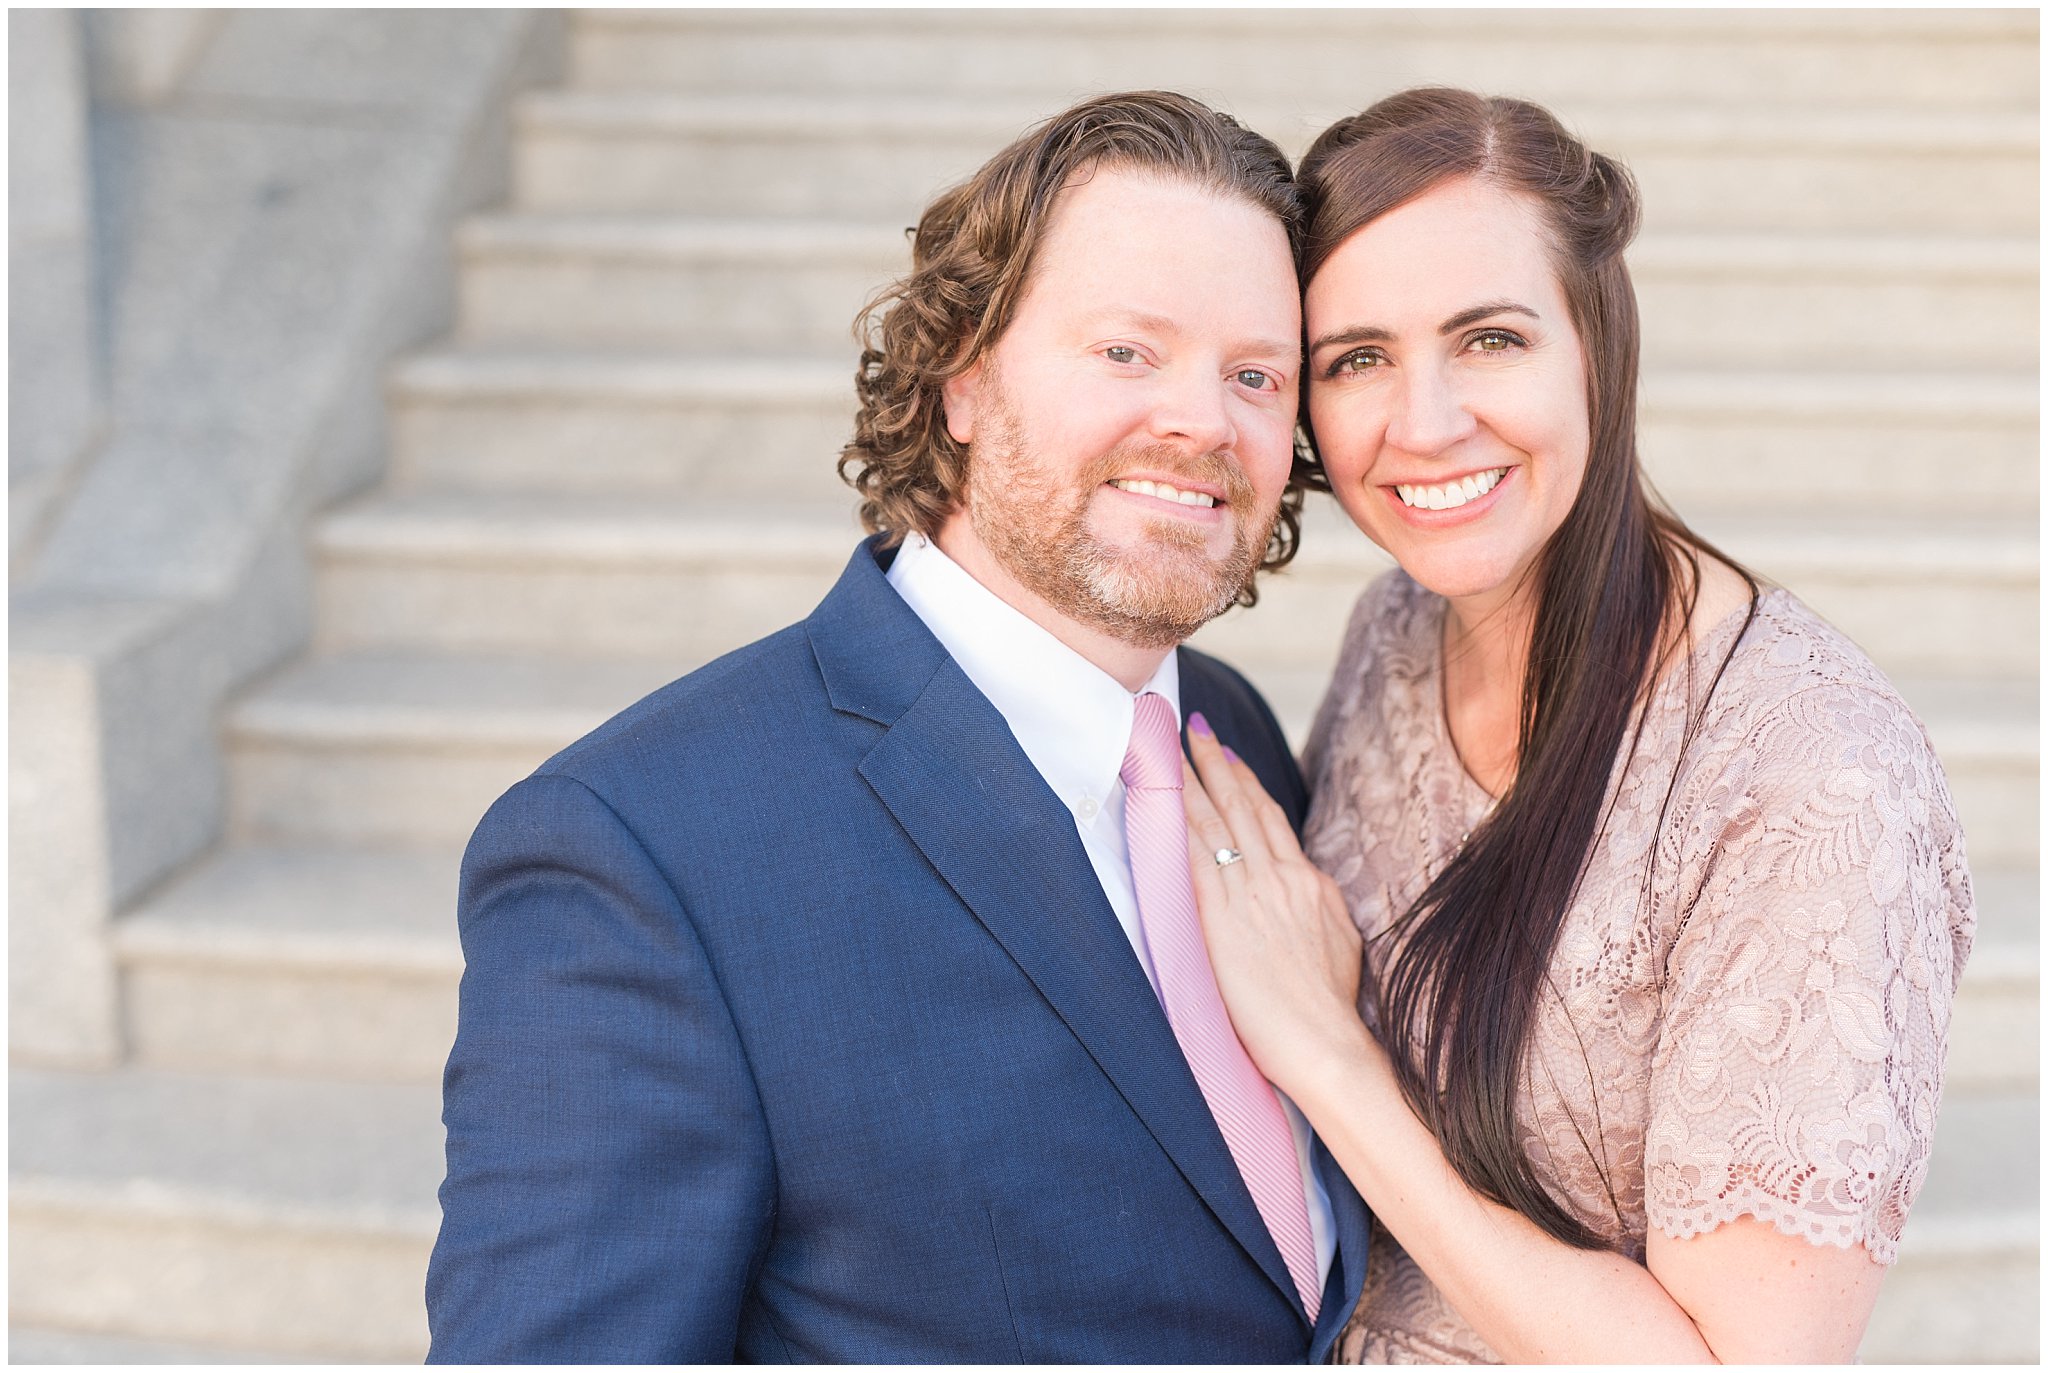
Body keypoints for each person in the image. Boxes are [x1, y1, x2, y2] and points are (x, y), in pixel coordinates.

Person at [424, 91, 1370, 1362]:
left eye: (1254, 374)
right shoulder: (641, 850)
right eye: (1126, 352)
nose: (1203, 420)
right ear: (963, 379)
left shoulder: (1234, 738)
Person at [1177, 88, 1975, 1363]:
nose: (1422, 423)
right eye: (1357, 358)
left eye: (1489, 338)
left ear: (1596, 344)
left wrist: (1328, 1059)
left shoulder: (1809, 774)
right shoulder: (1398, 627)